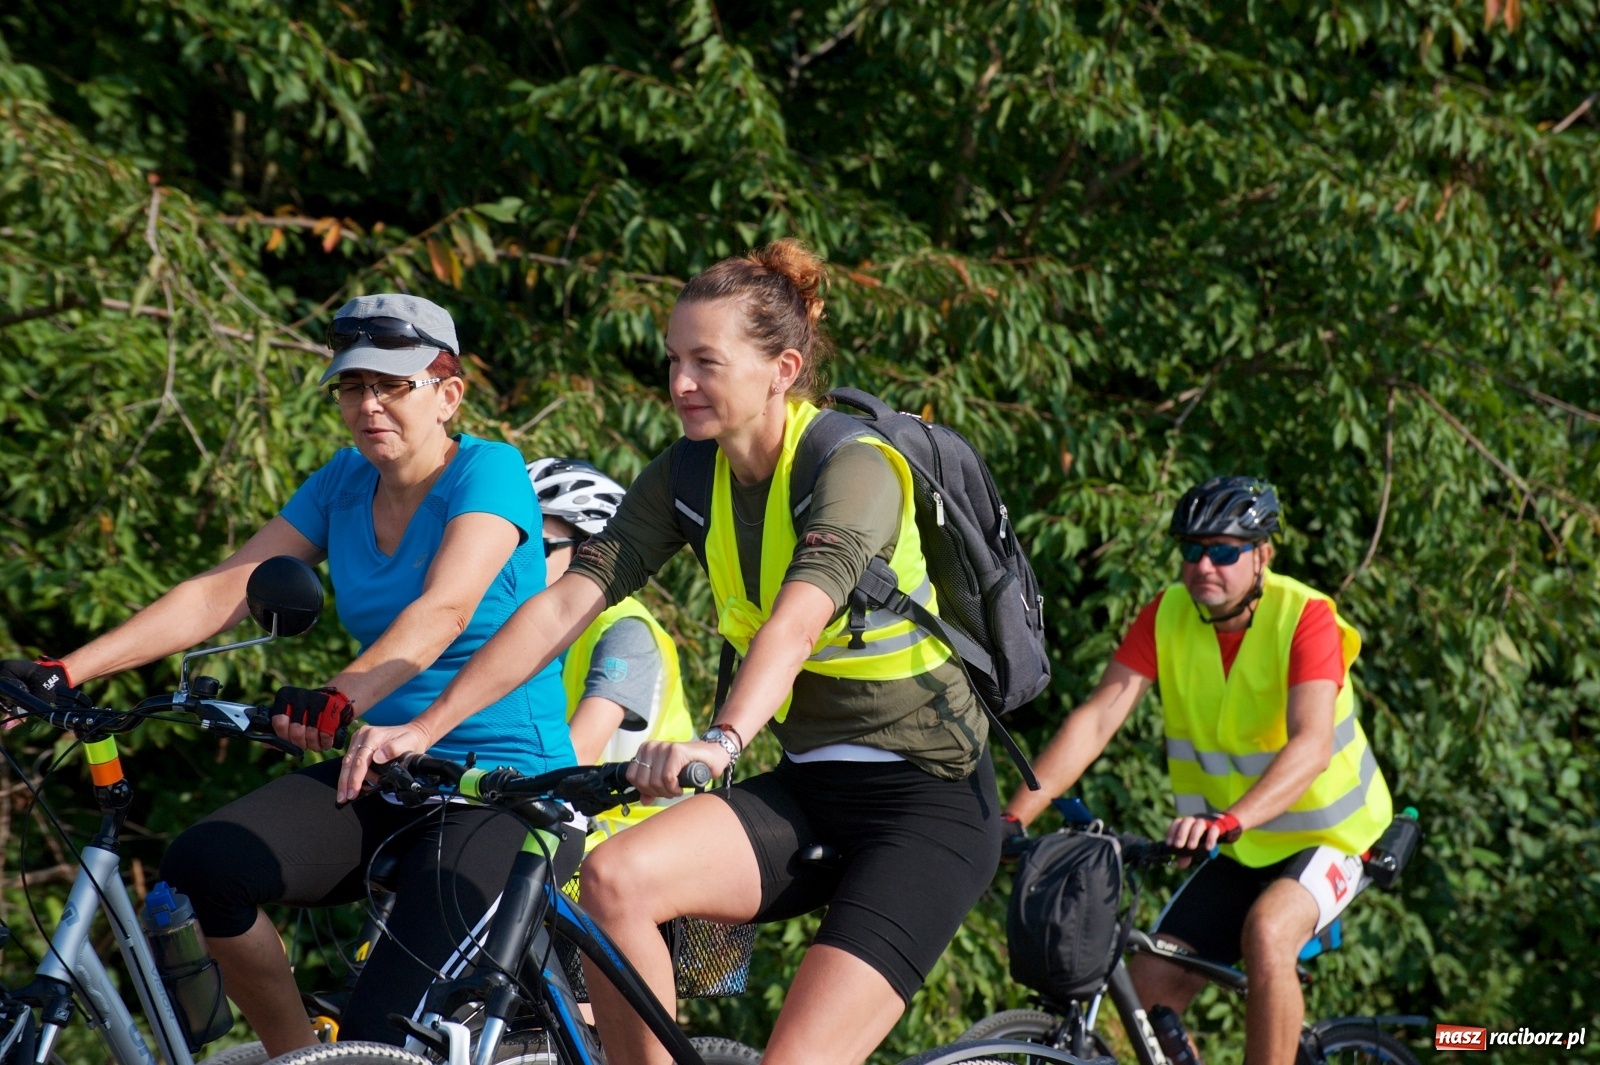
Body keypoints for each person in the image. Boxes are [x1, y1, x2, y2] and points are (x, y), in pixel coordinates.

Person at [347, 239, 1004, 1065]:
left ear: (782, 367)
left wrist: (720, 741)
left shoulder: (855, 465)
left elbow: (794, 624)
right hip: (815, 786)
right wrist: (429, 725)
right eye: (672, 361)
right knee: (612, 880)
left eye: (705, 362)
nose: (680, 384)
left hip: (929, 804)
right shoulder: (688, 474)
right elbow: (560, 605)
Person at [1, 294, 580, 1056]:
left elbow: (445, 606)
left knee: (385, 1032)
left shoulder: (490, 471)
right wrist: (64, 671)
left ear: (449, 393)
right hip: (385, 770)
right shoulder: (343, 481)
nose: (368, 404)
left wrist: (344, 693)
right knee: (207, 865)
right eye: (352, 386)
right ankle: (300, 1056)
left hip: (505, 788)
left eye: (392, 385)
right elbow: (226, 586)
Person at [1002, 475, 1393, 1065]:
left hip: (1333, 837)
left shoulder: (1305, 617)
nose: (1203, 565)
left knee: (1267, 935)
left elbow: (1312, 745)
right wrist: (1014, 816)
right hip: (1238, 844)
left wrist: (1230, 819)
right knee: (1150, 981)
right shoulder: (1167, 615)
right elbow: (1099, 718)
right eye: (1191, 549)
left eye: (1225, 551)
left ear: (1262, 554)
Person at [527, 456, 695, 844]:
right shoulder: (522, 627)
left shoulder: (625, 631)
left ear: (587, 550)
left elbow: (575, 755)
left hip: (632, 839)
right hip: (563, 824)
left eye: (539, 546)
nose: (516, 561)